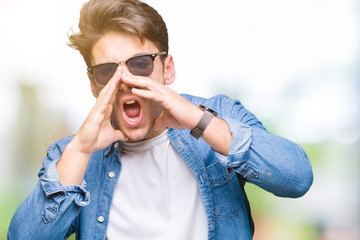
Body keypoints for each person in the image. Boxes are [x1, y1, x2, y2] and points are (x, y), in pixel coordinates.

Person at [7, 0, 313, 239]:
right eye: (107, 71)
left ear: (168, 70)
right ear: (93, 84)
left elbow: (297, 177)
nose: (125, 81)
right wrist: (81, 150)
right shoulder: (72, 155)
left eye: (140, 64)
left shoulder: (218, 116)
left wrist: (197, 120)